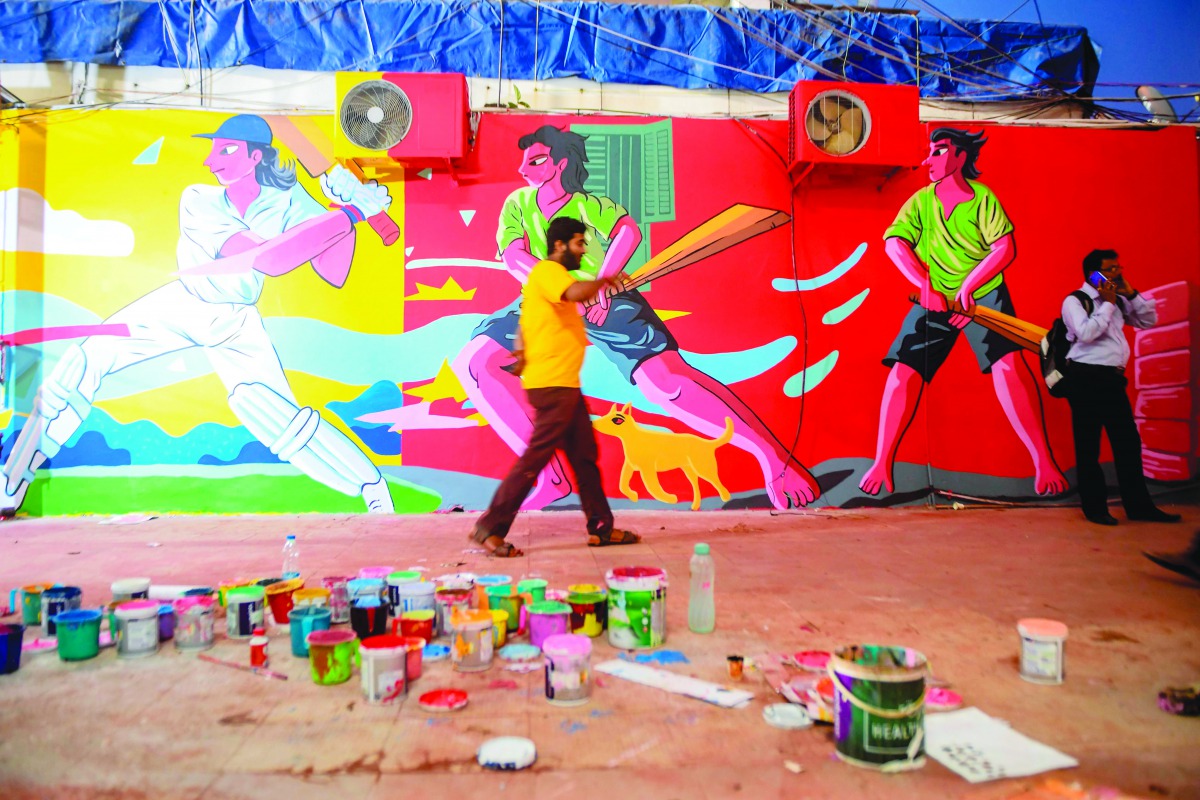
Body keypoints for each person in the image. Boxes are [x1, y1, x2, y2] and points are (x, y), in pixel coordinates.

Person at [1, 114, 395, 516]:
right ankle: (11, 482)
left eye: (225, 150)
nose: (211, 161)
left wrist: (340, 208)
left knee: (266, 409)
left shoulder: (291, 202)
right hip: (182, 303)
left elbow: (332, 272)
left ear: (257, 156)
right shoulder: (199, 198)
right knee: (86, 359)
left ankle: (373, 489)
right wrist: (349, 216)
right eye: (212, 150)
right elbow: (267, 259)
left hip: (234, 318)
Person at [453, 125, 818, 512]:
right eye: (524, 160)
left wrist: (600, 287)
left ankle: (774, 460)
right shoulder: (518, 203)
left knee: (668, 384)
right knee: (476, 363)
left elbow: (627, 233)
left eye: (537, 160)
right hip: (543, 298)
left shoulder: (587, 205)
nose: (524, 168)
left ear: (560, 164)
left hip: (606, 297)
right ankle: (551, 478)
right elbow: (514, 256)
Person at [860, 128, 1067, 498]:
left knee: (1008, 367)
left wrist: (969, 289)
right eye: (929, 152)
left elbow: (1004, 248)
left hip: (985, 295)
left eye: (939, 151)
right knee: (903, 372)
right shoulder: (921, 201)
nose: (929, 160)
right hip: (935, 297)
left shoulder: (983, 199)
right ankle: (881, 463)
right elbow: (894, 244)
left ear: (960, 157)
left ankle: (1043, 462)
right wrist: (928, 286)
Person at [469, 217, 640, 557]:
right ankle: (489, 526)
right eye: (579, 243)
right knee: (537, 456)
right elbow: (574, 292)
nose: (583, 250)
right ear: (560, 245)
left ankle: (601, 528)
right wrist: (605, 280)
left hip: (562, 384)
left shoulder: (543, 281)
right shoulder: (550, 272)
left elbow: (526, 320)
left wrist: (520, 351)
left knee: (584, 457)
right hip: (553, 384)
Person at [1063, 249, 1180, 526]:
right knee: (1089, 445)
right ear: (1094, 274)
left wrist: (1130, 293)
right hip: (1085, 378)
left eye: (1118, 267)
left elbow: (1149, 320)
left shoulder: (1116, 300)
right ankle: (1095, 509)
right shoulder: (1075, 301)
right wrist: (1107, 304)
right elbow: (1087, 333)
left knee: (1127, 443)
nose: (1118, 272)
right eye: (1111, 269)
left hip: (1113, 380)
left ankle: (1139, 507)